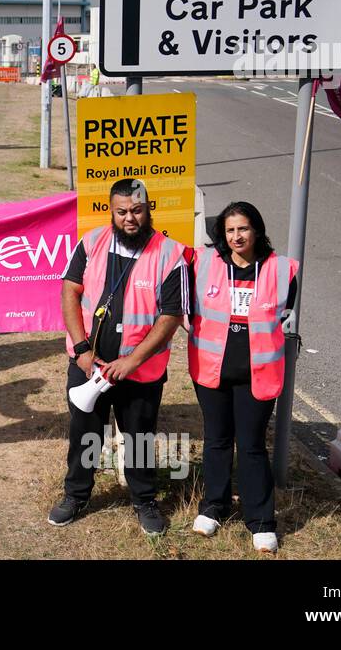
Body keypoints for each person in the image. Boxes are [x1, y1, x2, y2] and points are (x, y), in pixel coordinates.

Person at [48, 178, 188, 537]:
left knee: (139, 436)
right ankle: (76, 495)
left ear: (149, 210)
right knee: (85, 433)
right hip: (88, 365)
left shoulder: (171, 255)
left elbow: (170, 316)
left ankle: (144, 500)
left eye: (137, 210)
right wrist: (81, 349)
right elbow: (70, 291)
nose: (130, 218)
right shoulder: (92, 243)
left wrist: (132, 361)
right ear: (111, 211)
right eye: (122, 211)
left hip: (139, 371)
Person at [188, 202, 298, 554]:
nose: (236, 236)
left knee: (251, 445)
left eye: (243, 228)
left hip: (258, 374)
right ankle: (213, 507)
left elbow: (284, 316)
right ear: (222, 233)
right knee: (217, 440)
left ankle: (261, 521)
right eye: (230, 230)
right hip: (212, 370)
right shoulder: (203, 263)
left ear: (257, 230)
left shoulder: (281, 270)